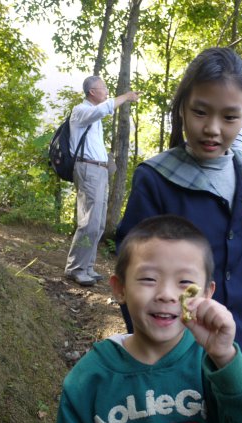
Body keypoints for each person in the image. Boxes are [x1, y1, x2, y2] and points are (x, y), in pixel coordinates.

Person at [52, 215, 242, 423]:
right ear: (120, 289)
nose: (166, 293)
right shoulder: (88, 379)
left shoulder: (217, 366)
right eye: (148, 278)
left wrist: (226, 357)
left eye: (185, 282)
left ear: (207, 293)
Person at [115, 47, 242, 365]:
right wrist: (150, 347)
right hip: (175, 350)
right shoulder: (157, 178)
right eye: (201, 112)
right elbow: (132, 270)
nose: (213, 128)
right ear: (182, 109)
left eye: (229, 117)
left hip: (241, 343)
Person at [64, 76, 140, 286]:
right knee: (89, 221)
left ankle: (86, 266)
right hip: (88, 170)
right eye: (103, 88)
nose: (106, 91)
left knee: (97, 224)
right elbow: (102, 110)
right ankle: (76, 268)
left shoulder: (93, 118)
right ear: (91, 92)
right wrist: (125, 97)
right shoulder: (81, 110)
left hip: (98, 171)